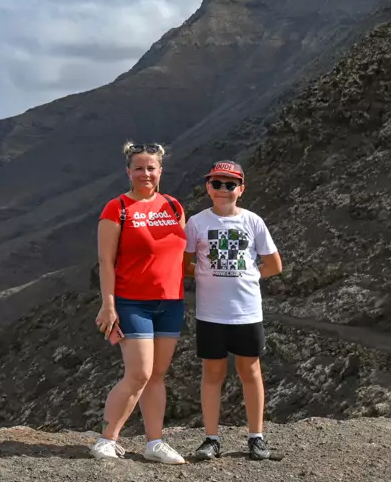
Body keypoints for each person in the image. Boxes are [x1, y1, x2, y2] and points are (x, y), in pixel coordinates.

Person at [91, 141, 189, 464]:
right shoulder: (116, 208)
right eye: (139, 168)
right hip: (133, 303)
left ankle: (154, 442)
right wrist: (109, 305)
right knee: (139, 373)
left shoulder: (173, 207)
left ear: (160, 171)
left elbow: (180, 256)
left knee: (157, 375)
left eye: (151, 168)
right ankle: (107, 439)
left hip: (171, 302)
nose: (145, 173)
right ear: (128, 171)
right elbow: (106, 262)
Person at [183, 160, 283, 461]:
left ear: (241, 188)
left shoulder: (253, 222)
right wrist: (206, 274)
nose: (223, 190)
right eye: (216, 183)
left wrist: (247, 277)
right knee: (212, 374)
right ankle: (211, 439)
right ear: (207, 187)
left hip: (246, 312)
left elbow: (274, 265)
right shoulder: (197, 223)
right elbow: (184, 263)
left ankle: (256, 437)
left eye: (230, 184)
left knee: (250, 372)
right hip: (211, 314)